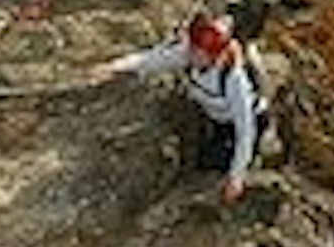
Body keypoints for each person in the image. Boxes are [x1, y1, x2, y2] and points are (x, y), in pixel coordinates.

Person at [93, 12, 268, 204]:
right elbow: (153, 60)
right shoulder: (189, 53)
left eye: (198, 52)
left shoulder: (234, 80)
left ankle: (252, 160)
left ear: (214, 55)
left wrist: (236, 178)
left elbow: (245, 130)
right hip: (214, 117)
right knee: (201, 159)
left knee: (215, 168)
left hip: (244, 122)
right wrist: (115, 67)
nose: (191, 55)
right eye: (192, 48)